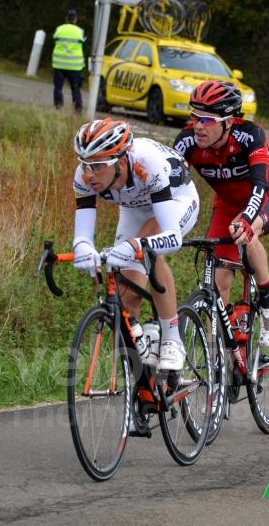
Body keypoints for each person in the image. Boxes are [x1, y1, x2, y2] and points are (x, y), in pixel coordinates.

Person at [72, 118, 200, 371]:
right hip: (134, 210)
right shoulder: (84, 175)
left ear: (120, 162)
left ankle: (172, 340)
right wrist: (83, 249)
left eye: (97, 166)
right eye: (85, 165)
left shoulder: (146, 163)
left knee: (148, 251)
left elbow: (171, 237)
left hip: (175, 201)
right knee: (125, 298)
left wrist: (133, 247)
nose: (89, 174)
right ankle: (147, 378)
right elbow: (83, 233)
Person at [174, 80, 269, 348]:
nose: (198, 126)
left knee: (247, 235)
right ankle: (222, 357)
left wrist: (248, 219)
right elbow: (170, 185)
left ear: (227, 121)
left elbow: (260, 185)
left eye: (207, 120)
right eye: (194, 117)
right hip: (225, 204)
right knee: (219, 280)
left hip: (265, 197)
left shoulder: (250, 136)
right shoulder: (187, 141)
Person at [52, 9, 85, 112]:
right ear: (76, 19)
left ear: (66, 18)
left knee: (58, 87)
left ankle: (58, 106)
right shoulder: (80, 32)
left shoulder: (59, 29)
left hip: (59, 65)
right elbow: (83, 42)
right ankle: (77, 110)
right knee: (75, 89)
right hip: (74, 66)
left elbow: (55, 39)